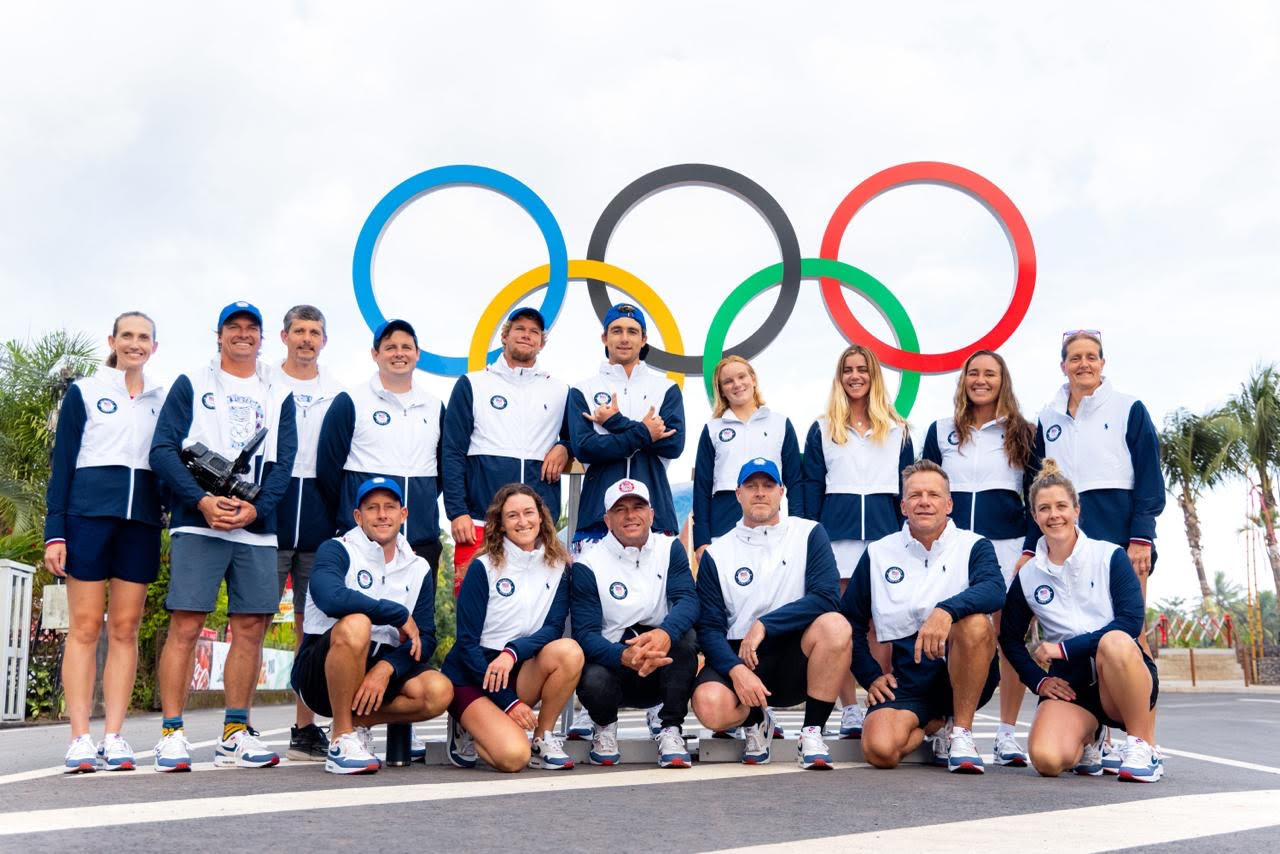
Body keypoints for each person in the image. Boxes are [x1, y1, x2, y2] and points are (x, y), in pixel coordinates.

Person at [149, 301, 297, 771]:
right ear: (219, 335)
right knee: (187, 625)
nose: (243, 335)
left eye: (251, 328)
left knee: (250, 628)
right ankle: (172, 732)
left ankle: (236, 731)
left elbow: (283, 463)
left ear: (262, 337)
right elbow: (163, 450)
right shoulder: (192, 382)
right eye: (233, 327)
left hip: (255, 526)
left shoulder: (279, 391)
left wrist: (256, 507)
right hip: (199, 520)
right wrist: (201, 500)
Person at [1017, 329, 1165, 771]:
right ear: (1062, 365)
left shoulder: (1128, 409)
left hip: (1120, 537)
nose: (1083, 364)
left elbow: (1149, 476)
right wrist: (1030, 546)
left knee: (1128, 637)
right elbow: (1038, 490)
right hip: (1064, 535)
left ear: (1103, 362)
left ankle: (1145, 743)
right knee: (1067, 626)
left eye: (1091, 357)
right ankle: (1090, 731)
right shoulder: (1048, 416)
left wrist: (1142, 535)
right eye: (1074, 357)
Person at [44, 311, 164, 772]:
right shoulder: (86, 392)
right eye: (128, 335)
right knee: (86, 626)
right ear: (113, 340)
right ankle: (79, 738)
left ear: (154, 346)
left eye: (144, 337)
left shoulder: (162, 397)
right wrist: (56, 530)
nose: (135, 344)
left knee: (125, 628)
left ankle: (115, 736)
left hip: (142, 523)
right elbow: (64, 464)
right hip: (88, 518)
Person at [1000, 460, 1162, 782]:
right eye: (1044, 508)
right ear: (1035, 517)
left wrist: (1065, 649)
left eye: (1061, 506)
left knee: (1114, 641)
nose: (1053, 515)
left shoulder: (1109, 556)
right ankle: (1091, 738)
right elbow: (1009, 638)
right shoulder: (1029, 575)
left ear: (1077, 510)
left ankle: (1142, 746)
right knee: (1047, 760)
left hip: (1118, 674)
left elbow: (1131, 621)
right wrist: (1039, 680)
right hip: (1071, 687)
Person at [841, 460, 1005, 774]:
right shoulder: (879, 552)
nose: (924, 501)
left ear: (949, 504)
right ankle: (934, 725)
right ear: (903, 506)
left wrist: (946, 610)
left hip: (963, 672)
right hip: (907, 680)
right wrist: (870, 674)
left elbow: (994, 590)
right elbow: (850, 620)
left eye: (933, 494)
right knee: (880, 750)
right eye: (915, 495)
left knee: (973, 623)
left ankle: (961, 734)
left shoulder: (973, 545)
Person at [692, 458, 851, 769]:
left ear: (782, 492)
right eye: (751, 487)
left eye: (767, 486)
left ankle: (811, 733)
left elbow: (826, 597)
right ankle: (756, 720)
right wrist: (736, 671)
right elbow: (709, 628)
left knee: (835, 626)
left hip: (795, 655)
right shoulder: (717, 553)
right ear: (738, 494)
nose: (760, 493)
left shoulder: (809, 533)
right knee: (709, 706)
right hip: (741, 656)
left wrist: (765, 624)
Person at [291, 477, 453, 774]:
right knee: (357, 623)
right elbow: (330, 598)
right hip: (320, 675)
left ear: (403, 514)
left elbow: (426, 637)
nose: (382, 515)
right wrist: (396, 614)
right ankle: (341, 739)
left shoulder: (418, 567)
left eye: (390, 507)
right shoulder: (337, 549)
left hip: (379, 668)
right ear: (358, 516)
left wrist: (387, 668)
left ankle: (358, 724)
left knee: (439, 691)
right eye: (372, 508)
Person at [921, 349, 1035, 766]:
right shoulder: (941, 430)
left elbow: (1038, 493)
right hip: (953, 546)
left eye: (990, 373)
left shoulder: (1024, 431)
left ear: (1002, 381)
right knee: (955, 633)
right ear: (963, 380)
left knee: (1008, 639)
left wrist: (1030, 548)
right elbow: (924, 486)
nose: (981, 380)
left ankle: (1006, 734)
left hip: (1007, 547)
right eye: (974, 373)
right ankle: (953, 723)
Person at [799, 344, 913, 739]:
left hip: (885, 537)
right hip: (837, 538)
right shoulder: (822, 429)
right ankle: (848, 708)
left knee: (880, 623)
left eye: (862, 369)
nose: (855, 376)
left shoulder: (899, 430)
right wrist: (811, 538)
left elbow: (907, 487)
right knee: (844, 623)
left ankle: (876, 700)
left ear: (874, 376)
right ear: (839, 376)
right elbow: (811, 487)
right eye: (847, 369)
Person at [441, 484, 582, 771]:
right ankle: (469, 723)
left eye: (529, 513)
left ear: (541, 517)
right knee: (513, 758)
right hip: (473, 672)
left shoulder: (558, 566)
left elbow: (554, 628)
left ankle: (542, 737)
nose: (523, 521)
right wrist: (509, 703)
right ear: (501, 524)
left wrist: (512, 652)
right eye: (513, 516)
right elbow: (467, 644)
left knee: (569, 651)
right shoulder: (483, 566)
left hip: (515, 667)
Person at [571, 478, 699, 768]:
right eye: (621, 509)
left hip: (659, 656)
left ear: (651, 514)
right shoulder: (588, 565)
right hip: (615, 660)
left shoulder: (670, 549)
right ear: (607, 519)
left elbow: (688, 601)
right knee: (592, 678)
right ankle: (604, 727)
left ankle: (670, 729)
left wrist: (665, 634)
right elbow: (585, 634)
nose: (631, 515)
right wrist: (623, 656)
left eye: (638, 506)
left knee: (686, 638)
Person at [442, 306, 570, 594]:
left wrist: (565, 446)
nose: (527, 335)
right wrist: (456, 511)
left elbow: (580, 440)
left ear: (542, 342)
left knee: (535, 610)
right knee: (474, 608)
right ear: (505, 335)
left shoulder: (560, 390)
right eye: (520, 329)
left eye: (534, 331)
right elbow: (451, 452)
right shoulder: (473, 384)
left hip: (535, 527)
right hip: (479, 520)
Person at [270, 304, 345, 761]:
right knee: (253, 617)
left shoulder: (338, 392)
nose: (306, 339)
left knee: (311, 625)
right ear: (284, 336)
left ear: (324, 340)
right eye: (299, 331)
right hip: (272, 508)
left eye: (314, 332)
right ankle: (238, 724)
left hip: (319, 510)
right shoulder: (263, 382)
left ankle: (305, 725)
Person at [317, 319, 446, 569]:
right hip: (362, 542)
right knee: (359, 609)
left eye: (406, 347)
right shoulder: (351, 401)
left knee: (416, 610)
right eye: (390, 347)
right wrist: (351, 513)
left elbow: (442, 472)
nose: (399, 353)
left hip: (420, 540)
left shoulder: (435, 407)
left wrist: (419, 501)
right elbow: (327, 469)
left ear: (417, 354)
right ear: (375, 354)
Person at [566, 303, 684, 550]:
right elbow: (585, 448)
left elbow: (673, 444)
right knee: (592, 589)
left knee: (659, 590)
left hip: (655, 518)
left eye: (632, 331)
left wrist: (614, 424)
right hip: (597, 518)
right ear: (604, 338)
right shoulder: (583, 390)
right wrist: (645, 433)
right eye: (616, 330)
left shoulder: (665, 389)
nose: (624, 338)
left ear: (643, 340)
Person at [693, 355, 802, 556]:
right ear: (722, 390)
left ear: (753, 379)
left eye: (741, 377)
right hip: (723, 525)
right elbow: (701, 487)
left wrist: (799, 531)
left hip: (769, 523)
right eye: (728, 381)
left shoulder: (780, 424)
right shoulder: (713, 429)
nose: (737, 384)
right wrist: (701, 540)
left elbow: (795, 483)